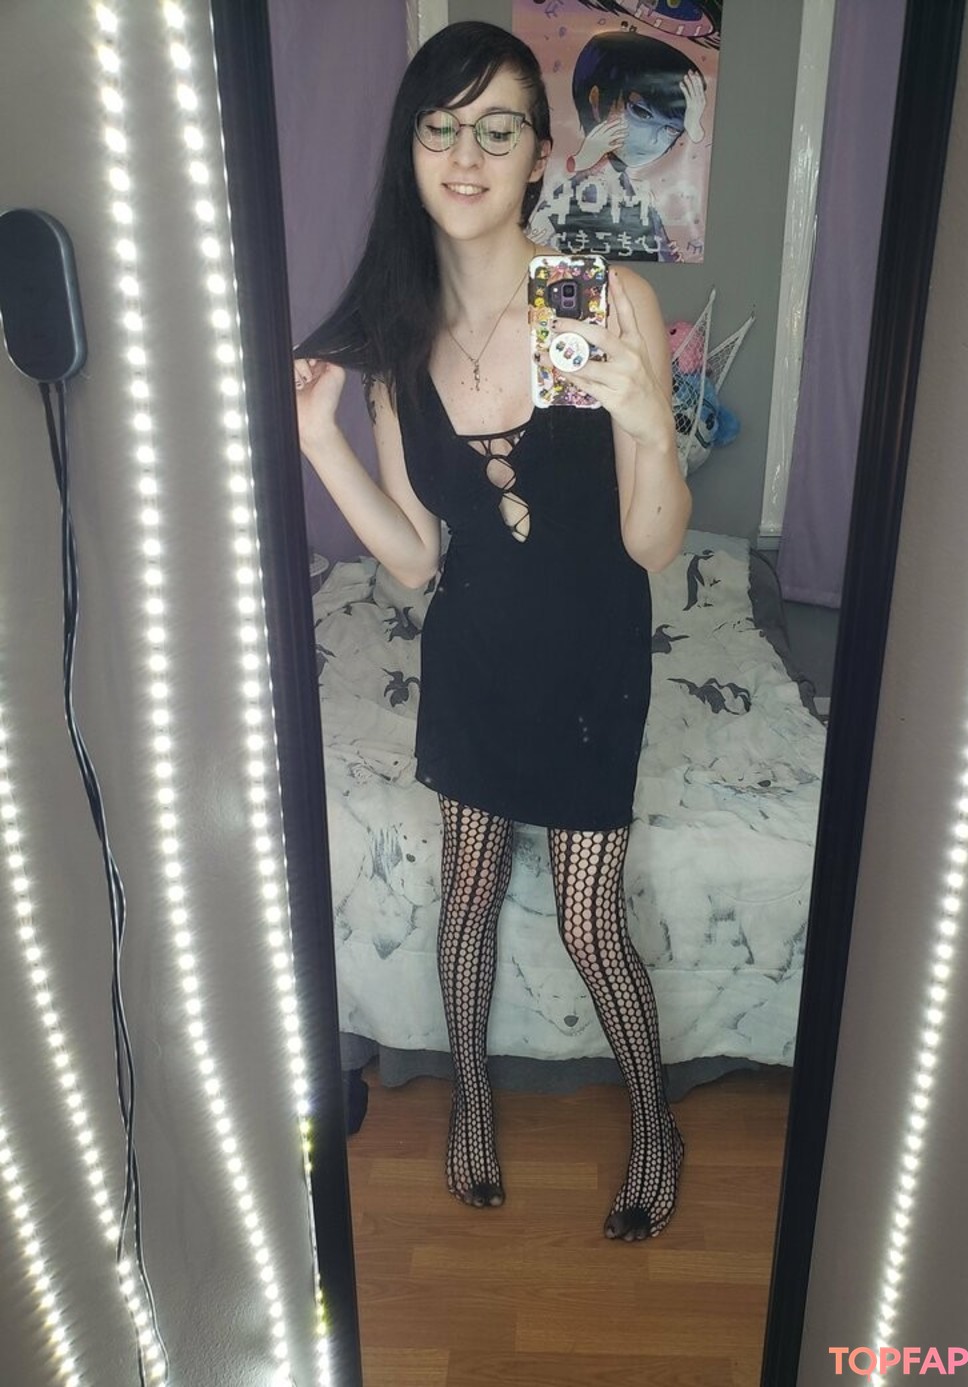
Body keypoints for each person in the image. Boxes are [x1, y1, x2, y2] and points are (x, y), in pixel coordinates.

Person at [291, 21, 692, 1241]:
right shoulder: (400, 341)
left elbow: (648, 545)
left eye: (497, 129)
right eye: (440, 128)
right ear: (411, 150)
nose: (465, 156)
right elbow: (419, 557)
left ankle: (656, 1121)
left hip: (589, 660)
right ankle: (469, 1098)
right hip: (473, 656)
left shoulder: (584, 302)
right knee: (464, 896)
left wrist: (653, 430)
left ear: (538, 156)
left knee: (586, 920)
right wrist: (317, 443)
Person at [529, 30, 707, 262]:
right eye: (641, 113)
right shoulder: (568, 189)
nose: (653, 140)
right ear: (596, 101)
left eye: (671, 130)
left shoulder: (642, 199)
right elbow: (534, 238)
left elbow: (663, 254)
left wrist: (694, 127)